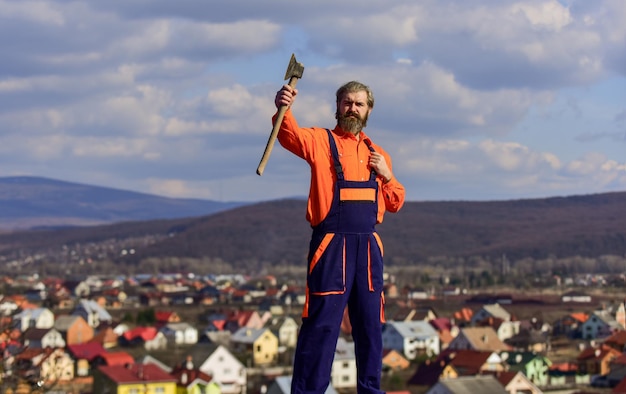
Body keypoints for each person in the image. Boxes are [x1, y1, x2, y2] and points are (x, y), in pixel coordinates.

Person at [273, 80, 406, 394]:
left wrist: (387, 175)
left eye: (359, 104)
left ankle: (371, 390)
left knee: (371, 326)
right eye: (347, 102)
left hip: (368, 248)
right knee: (322, 324)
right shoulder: (321, 141)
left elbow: (396, 202)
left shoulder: (379, 154)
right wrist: (284, 105)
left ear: (368, 110)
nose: (353, 109)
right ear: (337, 106)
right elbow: (288, 134)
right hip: (331, 245)